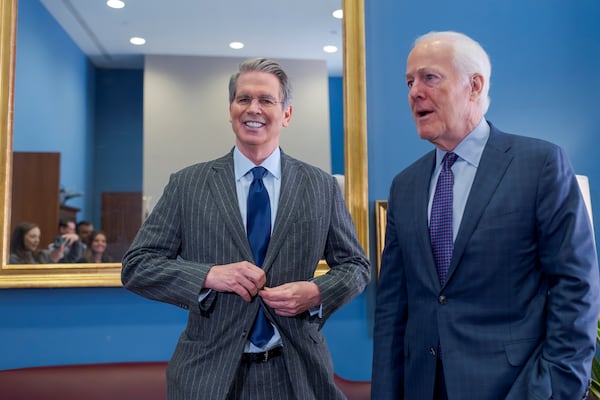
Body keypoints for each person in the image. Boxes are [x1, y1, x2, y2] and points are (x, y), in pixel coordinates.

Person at [122, 57, 370, 400]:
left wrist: (316, 293)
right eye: (243, 99)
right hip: (208, 378)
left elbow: (356, 267)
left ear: (286, 114)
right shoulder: (187, 185)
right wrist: (209, 276)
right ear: (231, 109)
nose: (253, 108)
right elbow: (137, 266)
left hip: (298, 374)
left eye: (266, 100)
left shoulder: (320, 186)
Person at [371, 31, 599, 400]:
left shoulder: (540, 165)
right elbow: (392, 310)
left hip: (516, 389)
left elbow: (577, 289)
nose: (414, 92)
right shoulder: (405, 185)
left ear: (474, 86)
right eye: (409, 81)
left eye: (429, 77)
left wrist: (554, 389)